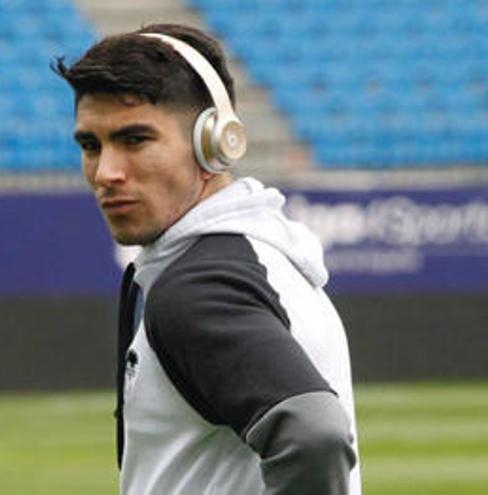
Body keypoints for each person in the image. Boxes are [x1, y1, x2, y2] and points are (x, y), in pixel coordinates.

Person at [54, 24, 360, 494]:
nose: (106, 173)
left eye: (134, 140)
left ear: (215, 143)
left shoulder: (198, 287)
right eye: (90, 146)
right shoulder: (263, 252)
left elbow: (314, 436)